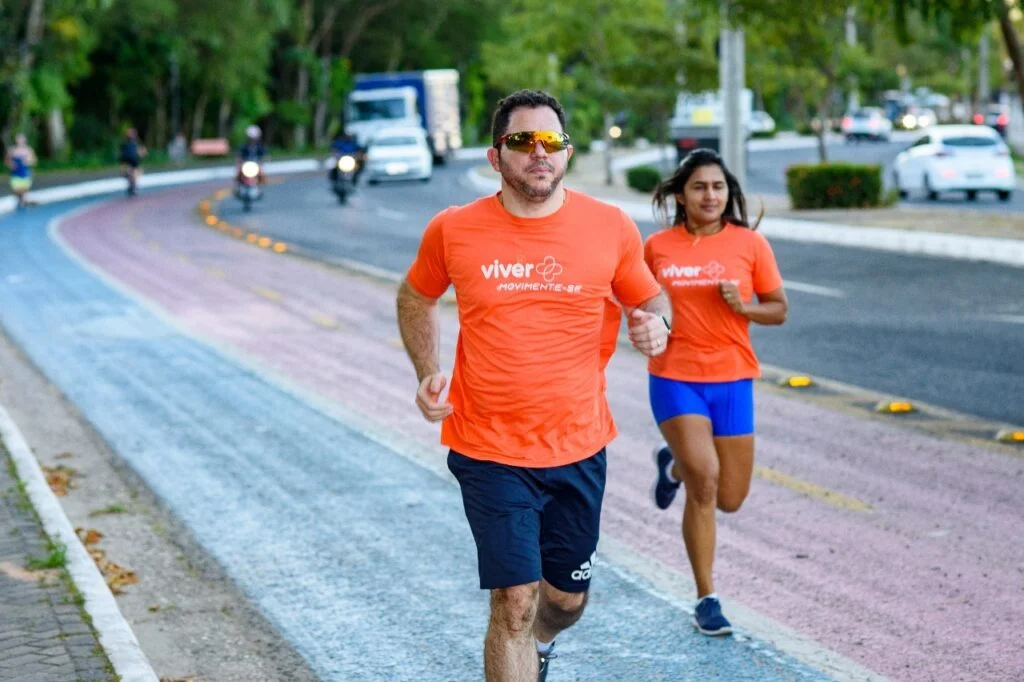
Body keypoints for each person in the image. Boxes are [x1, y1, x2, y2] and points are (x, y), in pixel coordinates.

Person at [396, 89, 671, 682]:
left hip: (578, 443)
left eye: (552, 142)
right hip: (487, 447)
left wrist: (657, 326)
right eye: (522, 141)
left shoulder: (609, 226)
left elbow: (648, 297)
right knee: (513, 603)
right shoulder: (454, 229)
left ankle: (543, 646)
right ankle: (524, 647)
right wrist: (427, 372)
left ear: (567, 153)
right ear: (496, 156)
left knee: (562, 603)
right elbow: (417, 295)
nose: (538, 153)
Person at [645, 148, 788, 636]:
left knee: (729, 499)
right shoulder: (657, 247)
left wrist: (743, 306)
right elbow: (634, 300)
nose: (710, 195)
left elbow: (779, 309)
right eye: (700, 187)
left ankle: (671, 463)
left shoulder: (749, 244)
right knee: (704, 480)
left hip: (732, 379)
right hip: (674, 375)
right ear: (681, 196)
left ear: (729, 195)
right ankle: (707, 598)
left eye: (718, 187)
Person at [5, 134, 37, 209]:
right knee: (15, 190)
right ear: (16, 140)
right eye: (19, 139)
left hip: (25, 172)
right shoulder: (12, 150)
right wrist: (11, 164)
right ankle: (22, 200)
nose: (20, 141)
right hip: (15, 173)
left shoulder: (28, 150)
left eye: (22, 139)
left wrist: (28, 161)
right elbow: (7, 160)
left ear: (25, 140)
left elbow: (34, 160)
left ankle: (22, 201)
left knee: (23, 189)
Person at [118, 128, 147, 196]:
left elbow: (143, 152)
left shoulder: (136, 143)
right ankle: (132, 187)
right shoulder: (125, 144)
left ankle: (133, 187)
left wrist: (140, 154)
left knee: (134, 173)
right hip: (128, 162)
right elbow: (121, 154)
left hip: (133, 161)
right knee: (131, 173)